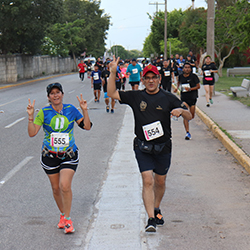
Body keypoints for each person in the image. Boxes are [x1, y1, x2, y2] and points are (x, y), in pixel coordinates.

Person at [107, 56, 192, 233]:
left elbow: (190, 116)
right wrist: (113, 72)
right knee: (147, 181)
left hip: (163, 147)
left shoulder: (168, 97)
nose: (151, 81)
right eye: (148, 78)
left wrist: (181, 111)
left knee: (160, 181)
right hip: (142, 147)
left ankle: (157, 207)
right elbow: (112, 93)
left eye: (154, 78)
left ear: (159, 79)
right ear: (143, 80)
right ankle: (151, 219)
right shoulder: (136, 96)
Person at [26, 82, 92, 234]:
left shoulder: (71, 109)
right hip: (49, 156)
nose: (55, 95)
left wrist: (85, 111)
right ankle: (63, 215)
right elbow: (32, 133)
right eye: (52, 93)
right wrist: (31, 117)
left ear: (62, 94)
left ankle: (68, 220)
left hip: (69, 155)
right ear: (48, 97)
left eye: (58, 92)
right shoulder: (43, 112)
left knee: (64, 185)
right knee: (56, 189)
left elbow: (87, 126)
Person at [174, 62, 200, 140]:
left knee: (191, 116)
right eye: (185, 67)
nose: (187, 69)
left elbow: (198, 86)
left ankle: (187, 120)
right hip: (184, 98)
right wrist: (177, 88)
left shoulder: (194, 76)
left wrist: (190, 89)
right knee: (185, 114)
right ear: (183, 68)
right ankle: (187, 132)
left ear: (190, 69)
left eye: (188, 67)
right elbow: (179, 82)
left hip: (192, 97)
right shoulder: (181, 76)